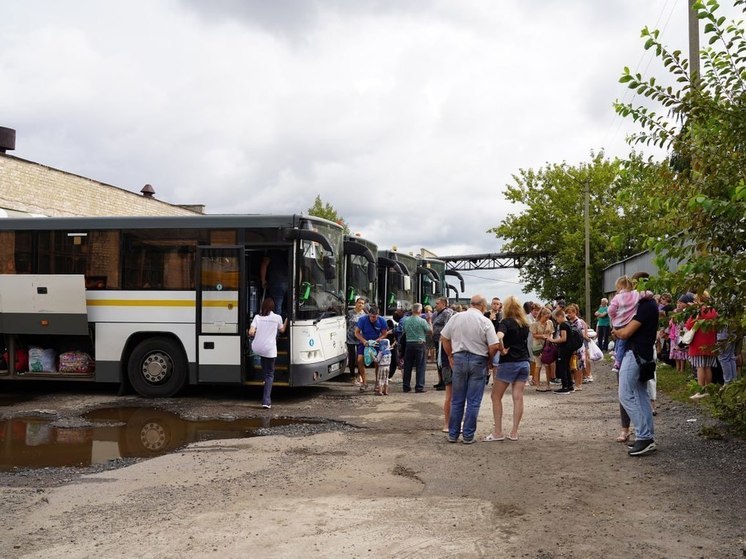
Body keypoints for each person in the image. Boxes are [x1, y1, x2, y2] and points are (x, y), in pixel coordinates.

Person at [440, 295, 500, 444]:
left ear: (471, 304)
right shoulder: (485, 321)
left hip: (459, 358)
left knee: (457, 399)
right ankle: (468, 435)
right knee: (473, 400)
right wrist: (489, 360)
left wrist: (449, 355)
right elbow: (494, 345)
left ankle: (453, 434)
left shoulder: (456, 317)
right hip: (478, 359)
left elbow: (444, 338)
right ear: (483, 307)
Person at [612, 289, 659, 456]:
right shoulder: (650, 305)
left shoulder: (645, 306)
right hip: (643, 355)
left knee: (625, 394)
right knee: (641, 395)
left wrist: (616, 332)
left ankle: (644, 436)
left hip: (635, 354)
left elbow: (625, 333)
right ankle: (647, 437)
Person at [483, 296, 530, 442]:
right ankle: (514, 432)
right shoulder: (524, 323)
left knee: (496, 397)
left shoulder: (505, 322)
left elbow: (498, 336)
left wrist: (501, 349)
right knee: (518, 397)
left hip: (509, 362)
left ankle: (498, 432)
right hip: (524, 362)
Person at [248, 297, 288, 409]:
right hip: (269, 349)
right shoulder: (277, 317)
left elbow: (251, 332)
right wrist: (286, 320)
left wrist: (256, 332)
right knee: (270, 375)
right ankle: (266, 401)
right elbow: (282, 330)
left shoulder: (257, 317)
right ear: (273, 307)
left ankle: (264, 379)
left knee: (264, 364)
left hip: (257, 347)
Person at [687, 292, 719, 399]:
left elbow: (689, 325)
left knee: (700, 366)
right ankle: (708, 389)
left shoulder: (698, 311)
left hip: (698, 342)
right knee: (707, 366)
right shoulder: (713, 311)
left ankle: (700, 390)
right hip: (710, 342)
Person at [354, 305, 388, 393]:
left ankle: (377, 382)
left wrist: (377, 340)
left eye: (375, 317)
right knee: (359, 360)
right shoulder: (362, 320)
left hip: (376, 344)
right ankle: (364, 382)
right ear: (369, 314)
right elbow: (357, 333)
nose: (373, 319)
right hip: (364, 342)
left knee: (377, 362)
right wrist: (364, 341)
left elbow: (384, 334)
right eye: (372, 317)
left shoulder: (382, 320)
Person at [401, 303, 432, 393]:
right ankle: (419, 386)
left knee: (408, 366)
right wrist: (429, 321)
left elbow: (404, 330)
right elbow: (430, 331)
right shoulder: (422, 321)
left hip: (409, 343)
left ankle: (406, 386)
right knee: (420, 366)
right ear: (419, 310)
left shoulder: (406, 320)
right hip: (420, 343)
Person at [549, 308, 574, 394]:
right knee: (567, 366)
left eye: (556, 319)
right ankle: (570, 385)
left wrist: (553, 340)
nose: (556, 321)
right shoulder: (569, 323)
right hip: (570, 348)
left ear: (560, 316)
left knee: (563, 367)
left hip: (564, 349)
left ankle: (565, 387)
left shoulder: (563, 325)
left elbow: (563, 338)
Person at [431, 297, 454, 391]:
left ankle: (446, 382)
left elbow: (447, 326)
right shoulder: (437, 313)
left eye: (437, 303)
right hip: (437, 340)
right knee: (439, 361)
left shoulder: (446, 313)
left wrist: (444, 338)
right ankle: (441, 380)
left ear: (443, 304)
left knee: (444, 361)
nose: (435, 305)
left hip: (443, 340)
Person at [530, 307, 554, 391]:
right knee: (538, 365)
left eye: (548, 317)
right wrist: (542, 336)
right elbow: (534, 335)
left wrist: (550, 339)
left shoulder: (550, 322)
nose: (547, 319)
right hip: (538, 346)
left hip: (547, 346)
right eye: (546, 317)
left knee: (547, 365)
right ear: (542, 315)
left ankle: (548, 384)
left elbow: (551, 333)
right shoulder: (535, 324)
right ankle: (537, 385)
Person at [260, 250, 289, 319]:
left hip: (277, 282)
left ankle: (277, 328)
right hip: (290, 283)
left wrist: (263, 280)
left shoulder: (272, 250)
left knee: (277, 309)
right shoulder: (289, 252)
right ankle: (284, 326)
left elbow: (264, 264)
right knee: (288, 307)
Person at [346, 298, 367, 384]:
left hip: (360, 338)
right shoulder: (350, 313)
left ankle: (359, 375)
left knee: (360, 357)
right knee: (352, 357)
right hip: (350, 337)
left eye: (362, 303)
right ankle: (352, 376)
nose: (360, 305)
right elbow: (345, 324)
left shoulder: (364, 315)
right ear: (356, 303)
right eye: (359, 303)